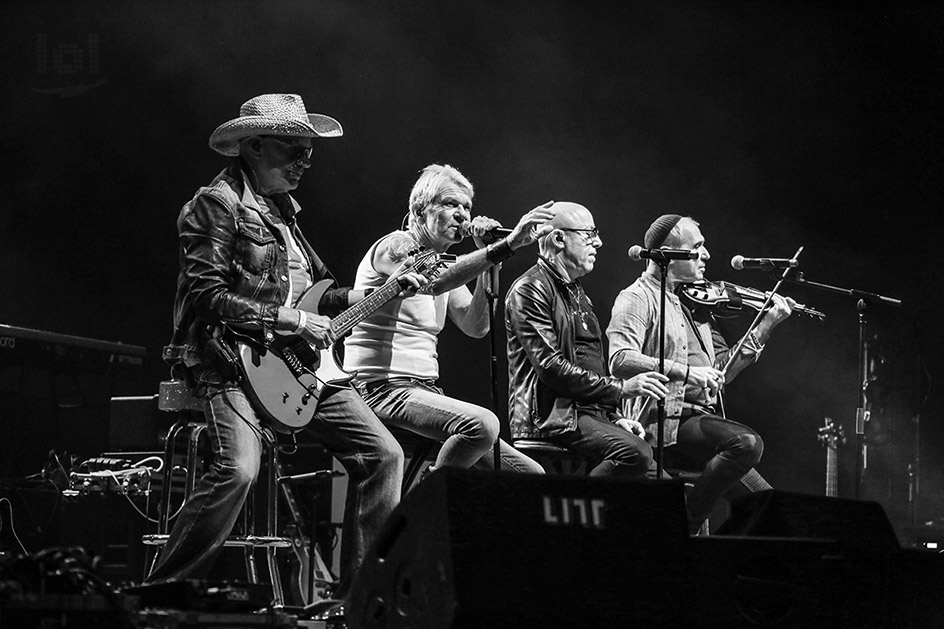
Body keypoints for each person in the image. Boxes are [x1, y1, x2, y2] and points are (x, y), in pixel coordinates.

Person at [153, 94, 419, 617]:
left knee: (384, 456)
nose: (304, 163)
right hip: (225, 359)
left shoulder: (284, 215)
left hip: (292, 369)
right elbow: (205, 294)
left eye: (309, 154)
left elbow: (321, 294)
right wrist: (292, 320)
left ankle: (360, 603)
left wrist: (384, 290)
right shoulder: (216, 204)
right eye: (292, 150)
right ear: (253, 146)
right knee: (239, 470)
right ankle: (158, 598)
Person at [343, 164, 554, 476]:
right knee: (482, 424)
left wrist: (490, 258)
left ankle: (441, 499)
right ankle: (431, 499)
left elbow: (476, 325)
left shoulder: (443, 264)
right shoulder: (397, 245)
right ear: (419, 210)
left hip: (422, 391)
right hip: (379, 389)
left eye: (466, 206)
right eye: (450, 204)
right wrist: (503, 247)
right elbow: (436, 281)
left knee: (531, 477)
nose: (462, 215)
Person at [606, 214, 795, 532]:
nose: (707, 255)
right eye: (697, 247)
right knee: (747, 443)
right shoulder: (636, 298)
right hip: (663, 421)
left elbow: (720, 371)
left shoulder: (694, 304)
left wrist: (765, 327)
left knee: (766, 506)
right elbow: (620, 359)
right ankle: (686, 523)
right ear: (670, 254)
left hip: (698, 420)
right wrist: (687, 372)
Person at [504, 201, 670, 478]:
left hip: (587, 415)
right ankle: (575, 509)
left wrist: (616, 418)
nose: (599, 242)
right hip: (552, 417)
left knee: (668, 491)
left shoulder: (577, 292)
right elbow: (550, 367)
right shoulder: (530, 288)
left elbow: (589, 364)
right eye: (590, 234)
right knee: (635, 454)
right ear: (559, 238)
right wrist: (622, 388)